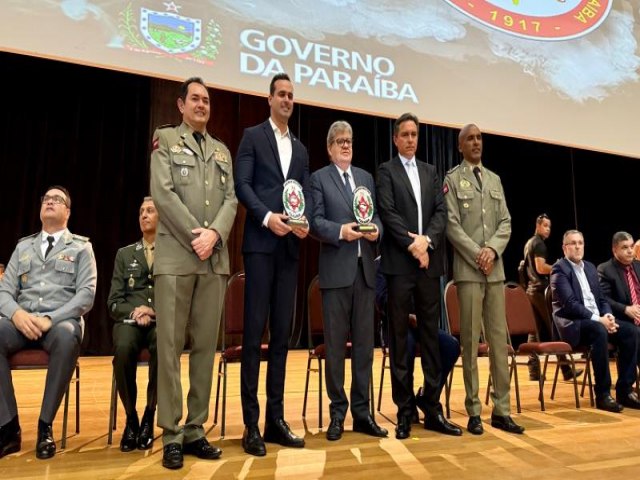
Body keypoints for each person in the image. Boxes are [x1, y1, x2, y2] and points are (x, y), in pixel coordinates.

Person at [150, 76, 238, 469]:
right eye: (196, 99)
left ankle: (195, 429)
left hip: (213, 260)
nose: (202, 105)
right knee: (169, 347)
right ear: (181, 105)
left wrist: (215, 233)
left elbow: (232, 199)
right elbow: (162, 193)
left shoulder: (222, 150)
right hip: (176, 259)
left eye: (207, 100)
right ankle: (170, 433)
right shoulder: (166, 140)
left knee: (205, 348)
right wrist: (196, 236)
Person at [235, 72, 310, 456]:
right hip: (261, 245)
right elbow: (242, 186)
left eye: (291, 95)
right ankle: (251, 424)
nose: (286, 100)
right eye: (281, 94)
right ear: (269, 99)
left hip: (289, 252)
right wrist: (267, 217)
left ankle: (275, 419)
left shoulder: (300, 149)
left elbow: (305, 196)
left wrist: (303, 223)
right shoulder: (252, 136)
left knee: (281, 336)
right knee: (253, 337)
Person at [377, 112, 461, 439]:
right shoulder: (386, 171)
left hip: (429, 265)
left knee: (430, 336)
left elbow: (441, 212)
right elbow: (388, 212)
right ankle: (404, 411)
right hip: (399, 265)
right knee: (399, 340)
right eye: (405, 135)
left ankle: (433, 406)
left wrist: (428, 242)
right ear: (396, 139)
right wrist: (414, 244)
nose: (411, 139)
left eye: (414, 134)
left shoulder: (430, 171)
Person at [0, 186, 97, 459]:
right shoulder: (23, 247)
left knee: (68, 337)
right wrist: (17, 315)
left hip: (60, 322)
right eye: (46, 199)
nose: (50, 202)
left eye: (58, 200)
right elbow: (4, 291)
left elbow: (86, 295)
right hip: (23, 320)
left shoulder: (81, 247)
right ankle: (8, 428)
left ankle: (45, 426)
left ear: (68, 211)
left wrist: (49, 319)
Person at [444, 123, 524, 435]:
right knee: (469, 342)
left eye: (479, 138)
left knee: (499, 343)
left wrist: (492, 250)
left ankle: (501, 411)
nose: (476, 143)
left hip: (495, 272)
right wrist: (479, 253)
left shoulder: (494, 179)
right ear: (460, 146)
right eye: (470, 139)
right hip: (468, 271)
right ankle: (474, 410)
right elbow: (452, 225)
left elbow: (506, 221)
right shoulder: (453, 180)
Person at [309, 121, 386, 441]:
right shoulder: (319, 179)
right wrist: (342, 231)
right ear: (329, 148)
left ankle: (363, 413)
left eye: (349, 141)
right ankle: (337, 414)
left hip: (365, 272)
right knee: (337, 348)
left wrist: (377, 230)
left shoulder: (366, 178)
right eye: (339, 141)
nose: (345, 146)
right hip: (336, 273)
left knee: (366, 347)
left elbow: (377, 216)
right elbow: (314, 222)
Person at [551, 230, 639, 412]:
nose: (577, 246)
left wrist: (608, 316)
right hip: (574, 325)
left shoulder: (590, 267)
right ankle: (603, 394)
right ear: (564, 247)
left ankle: (625, 390)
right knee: (598, 330)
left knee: (631, 331)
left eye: (580, 243)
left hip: (597, 320)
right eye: (572, 243)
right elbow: (570, 305)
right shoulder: (559, 269)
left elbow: (602, 300)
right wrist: (599, 319)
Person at [374, 256, 460, 423]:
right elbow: (381, 300)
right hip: (397, 324)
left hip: (422, 324)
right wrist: (407, 316)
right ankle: (407, 405)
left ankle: (428, 397)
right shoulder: (381, 262)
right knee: (407, 345)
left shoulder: (419, 259)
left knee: (451, 346)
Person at [107, 196, 158, 452]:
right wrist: (138, 312)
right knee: (124, 348)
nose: (144, 215)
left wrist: (154, 311)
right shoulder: (125, 254)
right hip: (129, 319)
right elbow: (114, 301)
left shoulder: (172, 254)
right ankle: (131, 418)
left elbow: (178, 296)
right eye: (141, 211)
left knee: (165, 346)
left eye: (150, 210)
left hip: (160, 320)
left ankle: (150, 414)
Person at [523, 214, 582, 381]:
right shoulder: (539, 244)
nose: (548, 229)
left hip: (531, 290)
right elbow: (541, 268)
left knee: (534, 331)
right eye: (546, 225)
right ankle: (566, 369)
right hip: (541, 291)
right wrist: (558, 267)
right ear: (538, 225)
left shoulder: (528, 243)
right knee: (554, 328)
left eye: (550, 226)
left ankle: (534, 371)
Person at [598, 231, 640, 369]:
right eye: (624, 247)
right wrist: (625, 309)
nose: (630, 251)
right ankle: (626, 387)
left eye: (631, 246)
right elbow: (602, 299)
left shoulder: (638, 266)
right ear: (614, 249)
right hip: (620, 320)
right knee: (634, 332)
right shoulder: (605, 269)